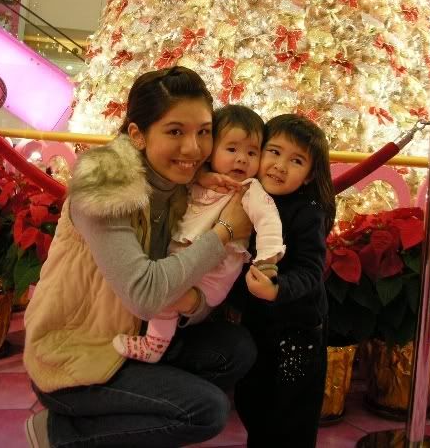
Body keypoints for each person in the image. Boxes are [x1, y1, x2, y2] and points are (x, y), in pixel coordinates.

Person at [23, 66, 257, 448]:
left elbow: (186, 290)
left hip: (135, 337)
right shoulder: (104, 186)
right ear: (137, 134)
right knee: (205, 411)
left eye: (203, 132)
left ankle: (125, 420)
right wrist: (225, 231)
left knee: (235, 350)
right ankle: (60, 432)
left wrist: (194, 303)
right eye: (175, 132)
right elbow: (145, 296)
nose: (193, 148)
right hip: (75, 353)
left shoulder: (181, 183)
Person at [113, 105, 286, 363]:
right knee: (165, 299)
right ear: (211, 150)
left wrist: (267, 261)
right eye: (232, 149)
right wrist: (204, 175)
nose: (242, 159)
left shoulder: (249, 190)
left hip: (213, 276)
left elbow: (269, 221)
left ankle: (153, 346)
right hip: (184, 264)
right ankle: (156, 346)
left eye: (252, 152)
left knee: (166, 299)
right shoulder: (195, 178)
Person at [231, 114, 336, 448]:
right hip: (258, 325)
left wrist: (278, 289)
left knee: (291, 413)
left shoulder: (307, 211)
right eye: (274, 152)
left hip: (297, 331)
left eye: (296, 160)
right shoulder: (250, 194)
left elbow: (310, 270)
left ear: (309, 175)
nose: (280, 165)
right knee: (253, 400)